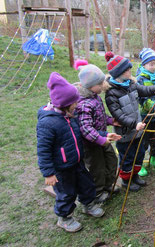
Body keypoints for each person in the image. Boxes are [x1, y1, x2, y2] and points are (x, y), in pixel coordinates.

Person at [36, 72, 104, 233]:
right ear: (64, 104)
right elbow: (43, 150)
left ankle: (88, 204)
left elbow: (82, 131)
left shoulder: (70, 116)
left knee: (86, 185)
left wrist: (104, 135)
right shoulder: (48, 123)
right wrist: (48, 173)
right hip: (62, 168)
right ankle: (64, 217)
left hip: (77, 162)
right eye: (74, 102)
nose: (77, 104)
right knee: (66, 193)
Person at [104, 52, 155, 192]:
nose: (130, 71)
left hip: (138, 130)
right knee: (127, 157)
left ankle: (135, 176)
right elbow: (118, 115)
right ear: (119, 73)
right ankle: (127, 180)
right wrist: (134, 124)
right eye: (127, 70)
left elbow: (144, 90)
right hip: (126, 132)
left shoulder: (131, 84)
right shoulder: (112, 93)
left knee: (139, 154)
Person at [74, 60, 122, 204]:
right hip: (92, 144)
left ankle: (109, 184)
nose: (103, 86)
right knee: (97, 168)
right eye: (99, 84)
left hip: (102, 138)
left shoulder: (94, 96)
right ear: (89, 86)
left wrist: (110, 121)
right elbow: (86, 128)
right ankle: (98, 192)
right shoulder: (83, 104)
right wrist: (100, 139)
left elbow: (100, 115)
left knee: (112, 160)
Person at [136, 48, 155, 176]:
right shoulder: (140, 79)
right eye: (150, 64)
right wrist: (154, 108)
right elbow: (142, 99)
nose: (153, 66)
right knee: (144, 139)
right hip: (145, 115)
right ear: (144, 64)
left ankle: (154, 158)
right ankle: (140, 163)